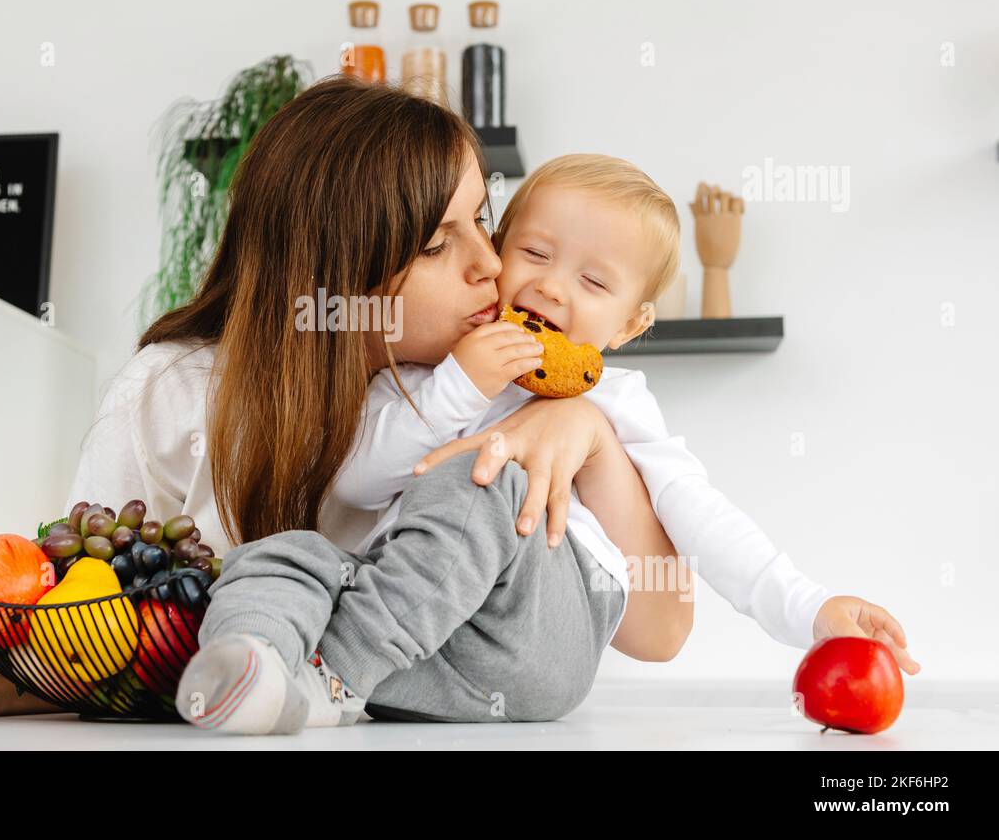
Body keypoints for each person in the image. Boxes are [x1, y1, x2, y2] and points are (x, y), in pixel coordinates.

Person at [0, 77, 690, 722]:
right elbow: (97, 627)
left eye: (483, 219)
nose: (493, 266)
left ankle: (326, 677)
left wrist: (591, 431)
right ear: (334, 272)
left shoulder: (505, 403)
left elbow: (657, 629)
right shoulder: (171, 397)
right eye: (436, 242)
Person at [178, 153, 920, 734]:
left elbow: (703, 516)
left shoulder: (618, 401)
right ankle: (254, 671)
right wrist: (458, 388)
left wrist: (814, 608)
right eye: (534, 253)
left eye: (595, 281)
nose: (554, 288)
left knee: (488, 474)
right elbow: (357, 483)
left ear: (630, 326)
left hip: (539, 637)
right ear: (497, 254)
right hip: (417, 643)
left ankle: (327, 677)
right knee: (286, 551)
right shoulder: (430, 374)